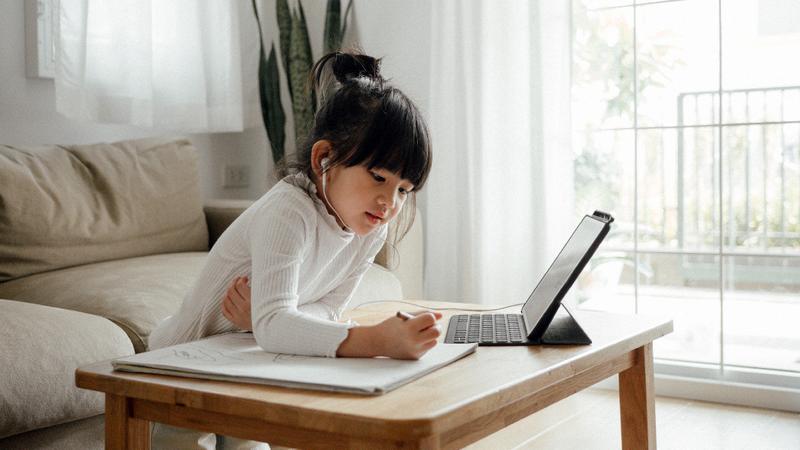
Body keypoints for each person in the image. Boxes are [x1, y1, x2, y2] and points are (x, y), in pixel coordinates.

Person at [147, 50, 439, 450]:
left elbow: (322, 311)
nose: (390, 202)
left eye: (403, 190)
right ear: (325, 159)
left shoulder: (370, 230)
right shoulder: (289, 211)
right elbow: (277, 323)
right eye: (377, 177)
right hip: (179, 363)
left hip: (244, 357)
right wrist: (375, 340)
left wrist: (266, 321)